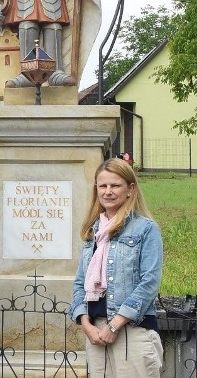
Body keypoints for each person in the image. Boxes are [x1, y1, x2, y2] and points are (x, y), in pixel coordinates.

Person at [70, 158, 164, 377]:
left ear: (130, 189)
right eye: (103, 186)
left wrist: (115, 325)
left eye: (115, 185)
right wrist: (85, 323)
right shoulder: (93, 232)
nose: (108, 191)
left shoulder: (146, 229)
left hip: (132, 331)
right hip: (96, 332)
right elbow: (79, 283)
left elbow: (149, 282)